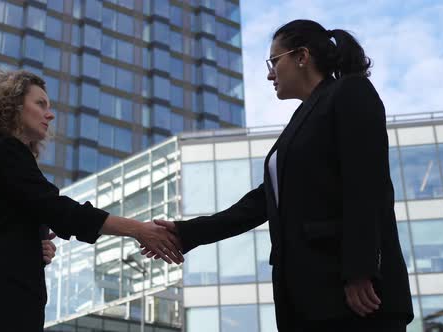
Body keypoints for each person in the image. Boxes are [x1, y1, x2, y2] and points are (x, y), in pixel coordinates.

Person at [143, 19, 413, 332]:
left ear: (302, 56)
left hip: (356, 296)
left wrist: (360, 270)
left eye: (274, 61)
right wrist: (185, 232)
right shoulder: (300, 121)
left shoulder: (350, 92)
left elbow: (366, 183)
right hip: (308, 300)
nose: (270, 74)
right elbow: (261, 202)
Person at [0, 70, 183, 332]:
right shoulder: (3, 151)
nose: (50, 114)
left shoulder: (6, 158)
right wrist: (137, 229)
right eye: (40, 104)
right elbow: (61, 211)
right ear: (12, 107)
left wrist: (32, 248)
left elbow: (3, 227)